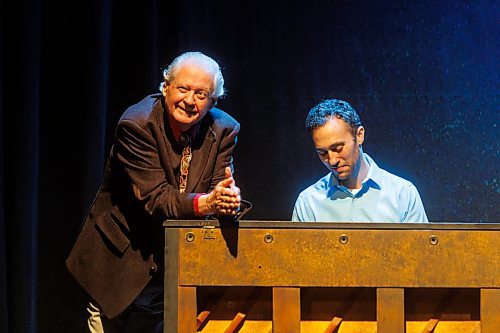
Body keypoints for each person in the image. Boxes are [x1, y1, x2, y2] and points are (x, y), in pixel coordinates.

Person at [66, 51, 249, 332]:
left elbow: (218, 189)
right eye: (183, 88)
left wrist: (227, 201)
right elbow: (156, 199)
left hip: (169, 273)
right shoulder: (137, 124)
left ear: (213, 100)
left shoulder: (224, 129)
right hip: (117, 266)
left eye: (201, 94)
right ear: (166, 86)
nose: (190, 100)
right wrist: (209, 203)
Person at [292, 98, 428, 223]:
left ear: (359, 135)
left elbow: (421, 249)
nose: (332, 160)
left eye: (338, 148)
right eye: (323, 153)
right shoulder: (308, 203)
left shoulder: (402, 195)